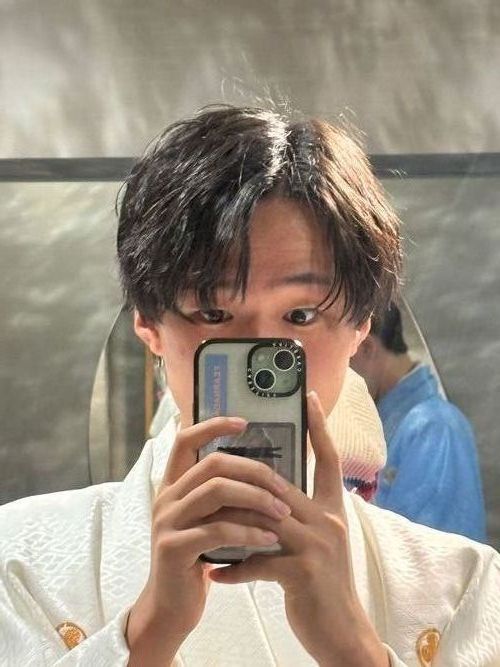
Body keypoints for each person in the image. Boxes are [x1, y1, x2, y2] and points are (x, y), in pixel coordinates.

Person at [1, 105, 499, 666]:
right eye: (213, 314)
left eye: (301, 315)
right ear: (148, 324)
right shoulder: (20, 559)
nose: (261, 351)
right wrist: (147, 635)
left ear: (361, 326)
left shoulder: (462, 586)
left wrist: (355, 652)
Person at [350, 303, 487, 541]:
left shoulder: (436, 427)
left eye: (343, 362)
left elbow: (440, 551)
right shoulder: (384, 425)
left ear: (366, 347)